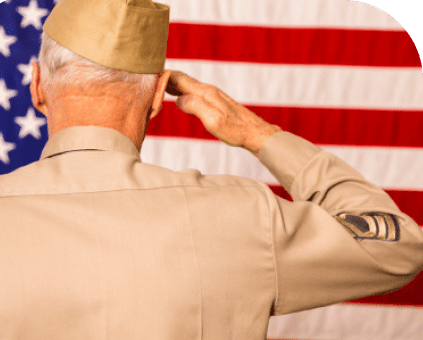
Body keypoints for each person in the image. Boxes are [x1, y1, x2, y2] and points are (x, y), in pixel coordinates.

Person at [0, 0, 422, 338]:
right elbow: (397, 246)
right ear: (158, 97)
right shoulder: (240, 214)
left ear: (36, 85)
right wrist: (258, 133)